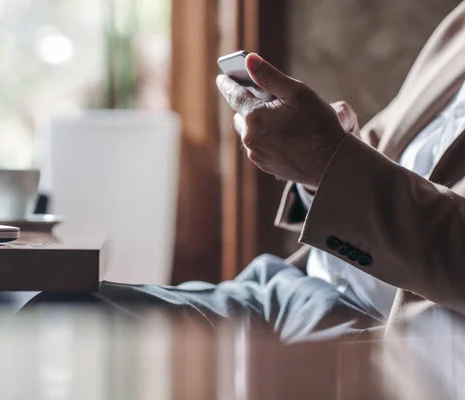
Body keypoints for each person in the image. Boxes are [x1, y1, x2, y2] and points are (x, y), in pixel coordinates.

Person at [30, 2, 465, 341]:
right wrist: (324, 167)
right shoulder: (457, 29)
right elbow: (383, 162)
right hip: (292, 288)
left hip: (377, 334)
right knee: (63, 313)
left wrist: (328, 162)